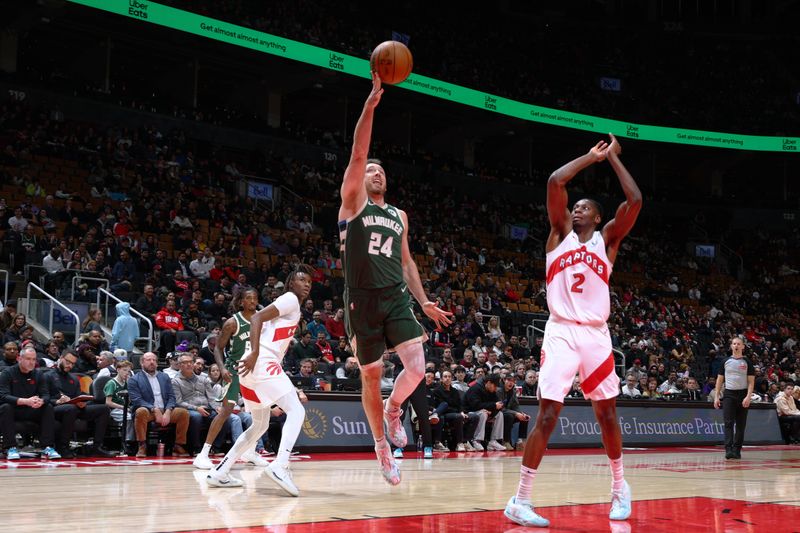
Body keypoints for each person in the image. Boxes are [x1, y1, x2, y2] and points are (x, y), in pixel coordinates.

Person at [506, 133, 642, 527]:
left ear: (598, 218)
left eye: (585, 208)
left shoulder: (608, 241)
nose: (577, 210)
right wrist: (591, 157)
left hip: (596, 334)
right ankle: (521, 499)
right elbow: (554, 182)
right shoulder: (558, 236)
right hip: (562, 330)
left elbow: (634, 201)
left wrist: (615, 159)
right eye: (575, 207)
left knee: (607, 414)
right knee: (547, 414)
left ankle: (619, 488)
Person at [337, 72, 452, 485]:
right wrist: (369, 107)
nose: (375, 173)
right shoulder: (353, 204)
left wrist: (423, 301)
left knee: (418, 366)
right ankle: (381, 446)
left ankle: (393, 409)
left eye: (380, 170)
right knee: (369, 375)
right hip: (361, 299)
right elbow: (356, 153)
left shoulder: (399, 215)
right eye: (370, 170)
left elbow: (407, 263)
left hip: (396, 296)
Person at [206, 265, 312, 495]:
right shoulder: (290, 299)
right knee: (297, 411)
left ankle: (220, 472)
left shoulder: (290, 305)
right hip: (261, 360)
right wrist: (254, 352)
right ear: (291, 282)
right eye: (302, 280)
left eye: (310, 283)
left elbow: (261, 323)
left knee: (259, 424)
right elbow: (256, 319)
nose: (306, 285)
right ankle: (280, 465)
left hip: (250, 368)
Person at [193, 288, 267, 470]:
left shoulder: (262, 319)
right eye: (248, 298)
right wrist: (223, 367)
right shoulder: (233, 323)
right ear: (241, 302)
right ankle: (203, 454)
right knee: (226, 411)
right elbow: (218, 348)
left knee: (260, 413)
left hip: (255, 372)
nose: (252, 301)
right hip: (234, 370)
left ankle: (250, 451)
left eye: (255, 298)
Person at [49, 350, 114, 458]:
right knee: (71, 408)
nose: (70, 365)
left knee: (104, 409)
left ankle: (96, 447)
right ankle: (63, 447)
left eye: (73, 364)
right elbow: (44, 397)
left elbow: (78, 395)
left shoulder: (73, 378)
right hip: (56, 408)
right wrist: (57, 401)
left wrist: (83, 402)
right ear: (60, 358)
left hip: (74, 407)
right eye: (67, 362)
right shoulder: (48, 376)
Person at [0, 347, 62, 459]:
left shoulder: (38, 374)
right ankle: (9, 448)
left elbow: (46, 395)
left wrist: (41, 401)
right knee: (5, 407)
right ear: (19, 358)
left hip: (31, 409)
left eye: (34, 359)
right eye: (28, 359)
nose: (31, 362)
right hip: (15, 409)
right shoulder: (7, 373)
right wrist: (25, 401)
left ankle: (47, 447)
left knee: (47, 406)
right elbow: (3, 396)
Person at [127, 351, 191, 458]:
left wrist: (168, 411)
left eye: (154, 360)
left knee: (183, 413)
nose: (152, 362)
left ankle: (178, 445)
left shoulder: (164, 377)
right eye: (148, 360)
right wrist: (154, 409)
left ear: (157, 363)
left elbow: (171, 397)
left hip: (165, 409)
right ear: (142, 363)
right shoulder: (134, 379)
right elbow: (137, 400)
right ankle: (142, 445)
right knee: (140, 411)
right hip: (148, 411)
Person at [713, 336, 755, 460]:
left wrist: (748, 397)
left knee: (741, 425)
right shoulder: (725, 361)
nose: (736, 345)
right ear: (731, 346)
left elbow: (751, 382)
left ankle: (737, 449)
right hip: (729, 395)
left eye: (738, 344)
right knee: (728, 423)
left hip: (742, 395)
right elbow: (719, 380)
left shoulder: (747, 362)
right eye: (734, 343)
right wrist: (716, 397)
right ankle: (728, 449)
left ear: (743, 346)